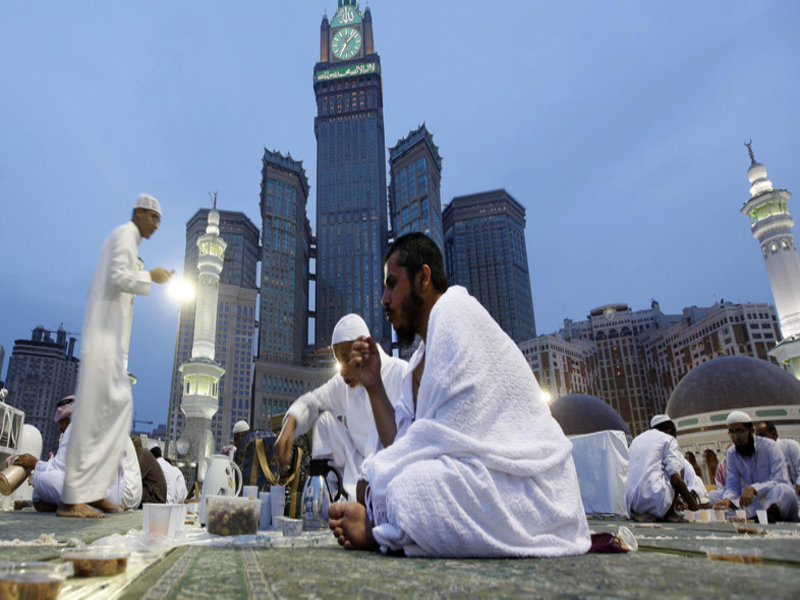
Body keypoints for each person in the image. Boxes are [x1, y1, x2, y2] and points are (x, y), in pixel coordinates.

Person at [328, 233, 590, 557]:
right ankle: (388, 523)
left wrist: (381, 476)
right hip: (478, 473)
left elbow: (451, 433)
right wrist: (374, 385)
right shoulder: (417, 362)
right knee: (389, 479)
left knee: (406, 487)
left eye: (392, 284)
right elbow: (408, 445)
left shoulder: (455, 312)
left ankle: (379, 527)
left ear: (423, 277)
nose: (384, 299)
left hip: (530, 483)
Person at [59, 194, 172, 518]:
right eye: (153, 218)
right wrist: (152, 276)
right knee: (91, 417)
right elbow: (118, 278)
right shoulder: (124, 235)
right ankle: (72, 499)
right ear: (139, 213)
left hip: (111, 341)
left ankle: (95, 491)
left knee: (118, 413)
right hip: (102, 340)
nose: (156, 225)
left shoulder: (130, 241)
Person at [274, 314, 406, 499]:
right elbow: (312, 402)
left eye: (346, 358)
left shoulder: (400, 373)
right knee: (323, 418)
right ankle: (332, 493)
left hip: (394, 474)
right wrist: (288, 427)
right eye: (338, 361)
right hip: (357, 470)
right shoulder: (344, 383)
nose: (342, 369)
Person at [12, 395, 140, 512]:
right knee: (43, 489)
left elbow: (60, 469)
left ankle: (77, 506)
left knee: (41, 481)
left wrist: (35, 464)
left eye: (61, 421)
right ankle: (81, 505)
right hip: (117, 494)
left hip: (113, 494)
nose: (59, 427)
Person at [714, 411, 798, 522]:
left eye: (740, 431)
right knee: (715, 496)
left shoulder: (770, 446)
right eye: (732, 432)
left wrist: (754, 488)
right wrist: (728, 499)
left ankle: (768, 517)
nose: (735, 437)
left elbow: (780, 479)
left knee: (783, 489)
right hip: (752, 504)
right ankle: (754, 519)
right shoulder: (731, 453)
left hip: (775, 500)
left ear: (751, 431)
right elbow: (732, 486)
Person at [625, 415, 700, 522]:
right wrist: (693, 505)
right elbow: (675, 478)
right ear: (669, 431)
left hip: (631, 504)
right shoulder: (668, 439)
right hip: (656, 500)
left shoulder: (637, 439)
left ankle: (641, 513)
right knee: (680, 462)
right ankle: (671, 514)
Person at [755, 421, 800, 496]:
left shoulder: (790, 446)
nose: (760, 440)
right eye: (757, 437)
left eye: (762, 436)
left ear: (774, 434)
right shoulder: (760, 456)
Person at [132, 437, 167, 506]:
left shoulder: (142, 456)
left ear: (134, 448)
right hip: (158, 496)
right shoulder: (144, 453)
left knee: (131, 493)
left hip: (155, 498)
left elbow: (134, 480)